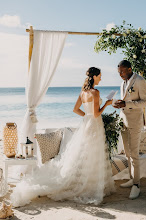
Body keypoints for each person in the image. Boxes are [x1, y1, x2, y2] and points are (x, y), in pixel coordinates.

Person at [11, 67, 115, 206]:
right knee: (94, 154)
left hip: (87, 124)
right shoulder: (95, 92)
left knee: (85, 154)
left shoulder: (83, 92)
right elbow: (97, 114)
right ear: (95, 76)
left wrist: (87, 117)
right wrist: (107, 104)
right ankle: (92, 184)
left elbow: (76, 109)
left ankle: (84, 181)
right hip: (94, 125)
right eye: (100, 76)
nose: (101, 78)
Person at [113, 60, 146, 199]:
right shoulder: (123, 82)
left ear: (129, 69)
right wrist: (119, 104)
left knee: (134, 154)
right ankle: (131, 178)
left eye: (122, 71)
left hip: (135, 122)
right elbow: (125, 100)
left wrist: (127, 103)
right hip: (124, 121)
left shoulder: (140, 81)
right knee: (127, 153)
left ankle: (137, 185)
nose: (120, 74)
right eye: (119, 72)